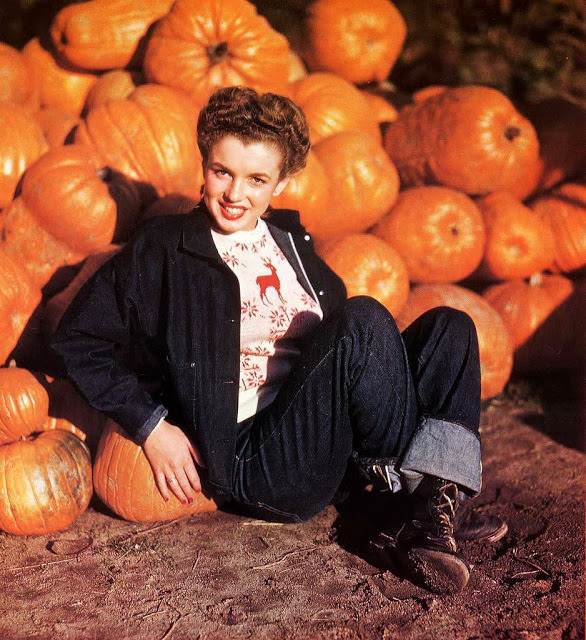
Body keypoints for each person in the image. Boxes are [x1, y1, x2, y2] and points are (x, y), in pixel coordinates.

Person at [52, 86, 505, 596]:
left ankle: (428, 510)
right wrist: (150, 425)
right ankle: (413, 504)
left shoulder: (291, 241)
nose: (234, 194)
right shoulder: (165, 248)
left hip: (329, 441)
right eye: (222, 171)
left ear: (283, 182)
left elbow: (341, 363)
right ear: (203, 162)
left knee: (451, 325)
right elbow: (77, 338)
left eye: (256, 179)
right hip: (260, 462)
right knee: (361, 318)